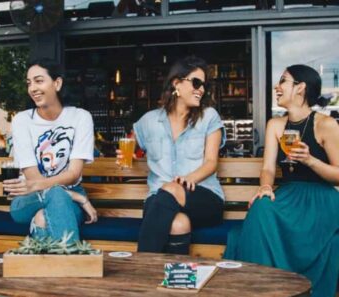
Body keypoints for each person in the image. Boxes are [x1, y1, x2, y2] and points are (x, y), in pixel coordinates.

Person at [224, 64, 339, 297]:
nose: (277, 86)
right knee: (261, 207)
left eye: (283, 81)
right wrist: (265, 186)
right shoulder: (275, 124)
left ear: (300, 88)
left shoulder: (326, 124)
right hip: (288, 193)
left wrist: (310, 161)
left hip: (321, 199)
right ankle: (259, 289)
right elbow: (267, 168)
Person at [128, 56, 225, 254]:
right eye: (196, 83)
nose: (201, 90)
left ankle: (140, 268)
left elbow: (211, 163)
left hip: (202, 197)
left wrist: (188, 179)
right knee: (178, 224)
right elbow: (129, 144)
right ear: (176, 83)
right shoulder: (149, 121)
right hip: (159, 200)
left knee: (171, 189)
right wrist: (128, 153)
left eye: (204, 85)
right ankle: (174, 281)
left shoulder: (209, 117)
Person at [4, 58, 97, 243]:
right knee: (55, 195)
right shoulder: (22, 121)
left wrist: (69, 193)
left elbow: (73, 174)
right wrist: (77, 197)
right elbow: (32, 178)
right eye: (29, 83)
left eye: (39, 81)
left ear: (57, 83)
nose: (32, 88)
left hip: (68, 196)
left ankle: (49, 266)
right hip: (28, 198)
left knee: (42, 218)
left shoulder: (80, 117)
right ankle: (75, 265)